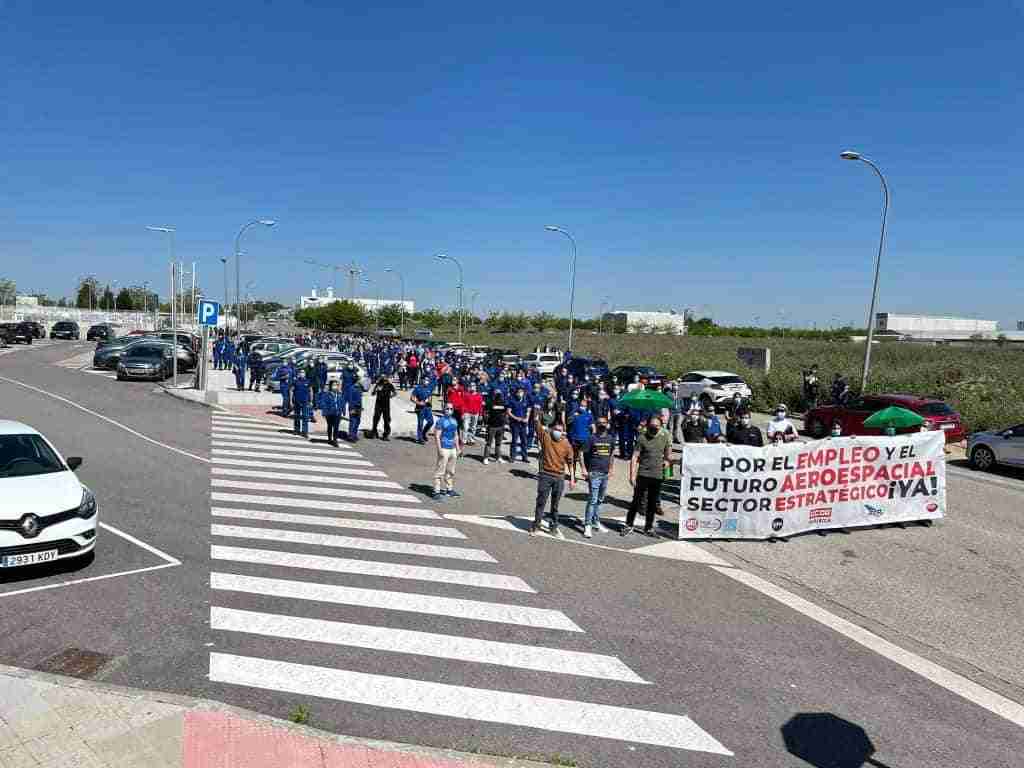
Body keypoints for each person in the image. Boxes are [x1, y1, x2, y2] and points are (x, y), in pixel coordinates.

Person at [622, 415, 671, 537]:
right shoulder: (642, 438)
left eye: (657, 426)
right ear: (648, 426)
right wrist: (632, 476)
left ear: (661, 427)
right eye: (652, 426)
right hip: (643, 473)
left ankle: (648, 528)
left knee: (652, 503)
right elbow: (634, 457)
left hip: (657, 475)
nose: (655, 428)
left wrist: (667, 464)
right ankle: (629, 525)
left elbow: (668, 457)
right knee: (636, 501)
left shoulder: (665, 437)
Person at [531, 407, 575, 539]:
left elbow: (571, 463)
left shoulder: (567, 444)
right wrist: (536, 414)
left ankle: (553, 526)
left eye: (560, 430)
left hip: (559, 477)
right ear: (552, 429)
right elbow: (536, 425)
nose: (558, 432)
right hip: (545, 474)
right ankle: (536, 525)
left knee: (555, 505)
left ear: (563, 432)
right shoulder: (546, 437)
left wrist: (572, 479)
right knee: (541, 502)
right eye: (556, 429)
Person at [580, 416, 614, 537]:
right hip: (594, 473)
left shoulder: (610, 438)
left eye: (604, 423)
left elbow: (611, 455)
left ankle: (596, 521)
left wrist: (611, 469)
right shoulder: (591, 438)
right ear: (596, 424)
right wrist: (583, 469)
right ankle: (587, 525)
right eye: (599, 423)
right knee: (593, 500)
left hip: (605, 474)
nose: (602, 425)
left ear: (607, 424)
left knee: (600, 500)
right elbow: (581, 453)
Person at [432, 405, 462, 500]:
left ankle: (449, 489)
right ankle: (436, 491)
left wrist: (458, 448)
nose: (449, 410)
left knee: (451, 470)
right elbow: (437, 436)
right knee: (440, 470)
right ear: (444, 410)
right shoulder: (441, 421)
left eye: (451, 409)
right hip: (444, 448)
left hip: (452, 449)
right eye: (447, 408)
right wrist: (439, 449)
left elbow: (456, 435)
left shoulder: (454, 421)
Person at [567, 397, 594, 476]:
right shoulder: (574, 413)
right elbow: (568, 421)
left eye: (584, 406)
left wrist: (593, 437)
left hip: (585, 439)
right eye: (581, 406)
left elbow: (593, 426)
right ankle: (573, 474)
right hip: (574, 438)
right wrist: (573, 416)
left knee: (583, 455)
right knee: (574, 457)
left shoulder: (589, 415)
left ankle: (585, 472)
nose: (582, 407)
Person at [483, 391, 508, 465]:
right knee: (489, 443)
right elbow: (486, 413)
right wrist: (486, 423)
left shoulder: (503, 404)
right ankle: (485, 458)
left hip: (500, 426)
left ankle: (498, 457)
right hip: (492, 426)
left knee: (498, 443)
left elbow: (505, 412)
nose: (498, 397)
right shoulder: (490, 404)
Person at [370, 374, 397, 440]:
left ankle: (386, 434)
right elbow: (373, 393)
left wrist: (391, 396)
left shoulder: (389, 385)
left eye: (385, 378)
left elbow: (395, 393)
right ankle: (374, 432)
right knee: (376, 418)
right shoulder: (378, 384)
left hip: (386, 404)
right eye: (382, 378)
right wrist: (375, 391)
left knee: (387, 419)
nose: (384, 379)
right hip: (378, 404)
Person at [508, 386, 531, 463]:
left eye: (521, 392)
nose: (520, 394)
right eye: (518, 392)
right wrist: (516, 418)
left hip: (523, 424)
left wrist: (527, 418)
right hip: (515, 424)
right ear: (516, 393)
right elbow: (508, 412)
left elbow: (528, 410)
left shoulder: (525, 401)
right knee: (514, 440)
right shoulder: (512, 401)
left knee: (524, 441)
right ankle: (512, 457)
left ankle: (524, 457)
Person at [318, 380, 344, 446]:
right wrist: (324, 413)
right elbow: (323, 403)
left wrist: (343, 411)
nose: (335, 386)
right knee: (330, 426)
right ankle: (329, 439)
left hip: (337, 413)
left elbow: (342, 403)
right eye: (333, 385)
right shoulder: (327, 394)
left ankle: (335, 440)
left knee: (336, 427)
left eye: (336, 385)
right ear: (330, 386)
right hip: (329, 413)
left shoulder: (339, 394)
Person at [412, 379, 434, 444]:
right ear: (422, 381)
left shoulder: (429, 387)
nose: (427, 381)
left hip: (428, 408)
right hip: (420, 409)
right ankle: (420, 438)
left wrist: (429, 401)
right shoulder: (418, 388)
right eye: (425, 380)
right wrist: (418, 402)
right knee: (420, 424)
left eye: (428, 380)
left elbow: (430, 396)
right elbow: (412, 398)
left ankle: (424, 433)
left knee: (431, 422)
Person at [291, 370, 312, 438]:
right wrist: (291, 401)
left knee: (305, 417)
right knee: (297, 416)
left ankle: (304, 432)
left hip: (305, 402)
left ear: (305, 374)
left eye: (303, 372)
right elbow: (291, 390)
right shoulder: (295, 381)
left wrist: (311, 401)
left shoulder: (308, 381)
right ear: (299, 374)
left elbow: (311, 391)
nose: (302, 374)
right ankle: (296, 430)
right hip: (297, 401)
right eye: (301, 373)